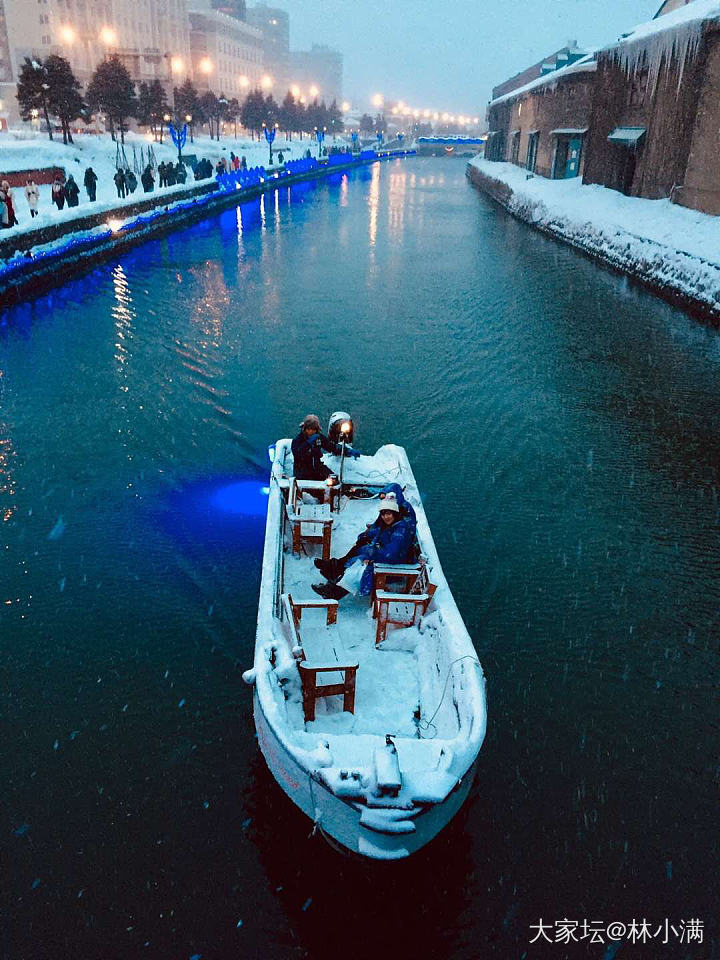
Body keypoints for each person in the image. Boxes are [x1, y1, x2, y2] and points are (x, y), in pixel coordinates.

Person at [312, 492, 416, 600]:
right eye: (383, 514)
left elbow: (391, 553)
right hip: (388, 557)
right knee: (359, 557)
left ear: (395, 513)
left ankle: (333, 590)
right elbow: (378, 536)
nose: (385, 517)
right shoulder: (391, 525)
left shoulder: (400, 531)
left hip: (396, 563)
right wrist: (370, 544)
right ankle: (333, 581)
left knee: (359, 568)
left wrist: (372, 556)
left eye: (389, 514)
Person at [291, 413, 359, 482]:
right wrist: (308, 444)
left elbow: (331, 447)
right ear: (305, 429)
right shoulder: (298, 440)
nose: (311, 432)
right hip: (302, 472)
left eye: (313, 429)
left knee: (334, 480)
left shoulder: (319, 438)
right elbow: (298, 454)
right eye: (309, 429)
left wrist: (346, 451)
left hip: (318, 468)